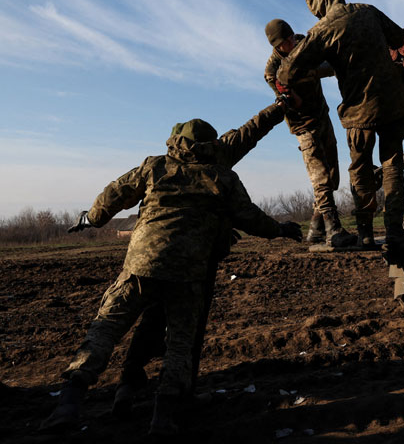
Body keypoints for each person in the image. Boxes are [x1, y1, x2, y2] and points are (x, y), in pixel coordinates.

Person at [40, 118, 303, 436]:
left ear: (175, 141)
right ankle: (163, 419)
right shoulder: (222, 177)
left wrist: (91, 218)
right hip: (189, 273)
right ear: (212, 144)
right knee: (180, 346)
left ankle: (68, 405)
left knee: (104, 331)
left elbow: (113, 195)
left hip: (141, 267)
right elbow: (250, 217)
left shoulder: (154, 166)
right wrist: (281, 229)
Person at [111, 102, 288, 416]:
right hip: (199, 258)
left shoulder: (163, 164)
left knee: (153, 317)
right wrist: (280, 108)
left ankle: (128, 383)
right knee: (188, 330)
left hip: (155, 257)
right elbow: (252, 130)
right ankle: (179, 397)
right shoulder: (220, 156)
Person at [277, 0, 404, 249]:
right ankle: (395, 228)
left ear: (319, 8)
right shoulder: (368, 11)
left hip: (358, 111)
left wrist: (317, 67)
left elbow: (286, 73)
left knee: (360, 168)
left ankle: (365, 233)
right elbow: (399, 39)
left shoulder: (322, 30)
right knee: (392, 165)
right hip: (392, 102)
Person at [264, 18, 357, 249]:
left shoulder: (306, 44)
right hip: (303, 124)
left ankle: (315, 229)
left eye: (292, 37)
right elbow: (279, 87)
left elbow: (328, 65)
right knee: (321, 177)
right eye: (285, 42)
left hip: (321, 116)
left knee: (333, 175)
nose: (291, 43)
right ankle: (333, 230)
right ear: (276, 46)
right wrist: (288, 92)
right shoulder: (273, 67)